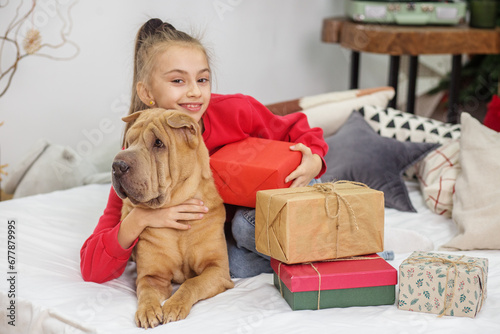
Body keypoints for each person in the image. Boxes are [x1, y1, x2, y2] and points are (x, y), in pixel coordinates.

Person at [80, 18, 328, 282]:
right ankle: (304, 260)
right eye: (178, 80)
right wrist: (139, 218)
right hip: (224, 231)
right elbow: (91, 267)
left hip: (270, 206)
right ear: (147, 92)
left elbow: (298, 129)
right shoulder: (140, 150)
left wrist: (314, 158)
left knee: (244, 227)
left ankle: (335, 252)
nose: (195, 92)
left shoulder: (235, 111)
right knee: (234, 266)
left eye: (202, 79)